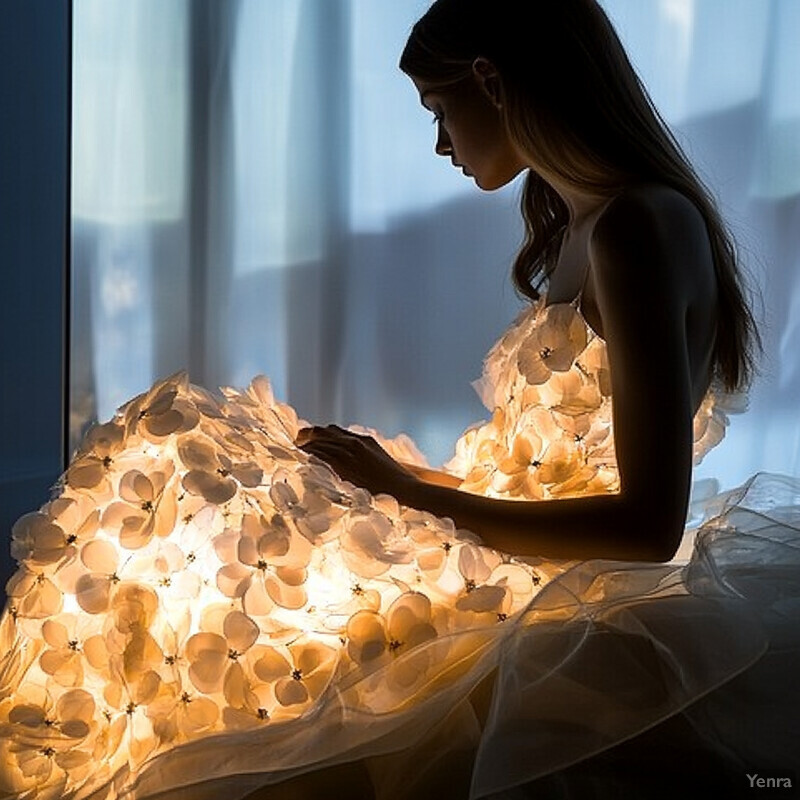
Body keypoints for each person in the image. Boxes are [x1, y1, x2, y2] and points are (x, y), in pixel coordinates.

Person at [1, 2, 796, 799]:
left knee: (180, 480)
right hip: (521, 549)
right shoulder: (591, 226)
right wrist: (395, 480)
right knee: (186, 456)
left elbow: (648, 526)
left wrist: (411, 493)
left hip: (563, 588)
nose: (441, 143)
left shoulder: (639, 228)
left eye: (441, 112)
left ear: (491, 81)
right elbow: (550, 483)